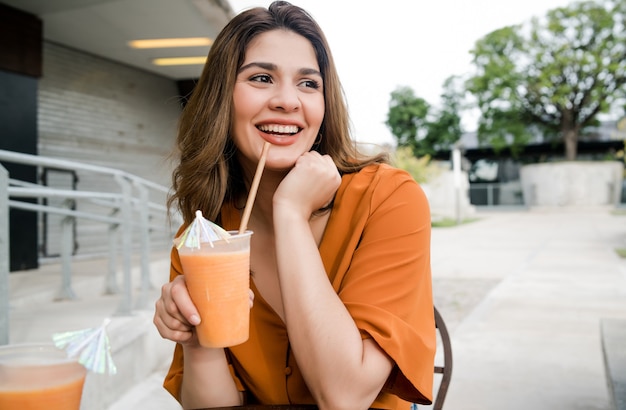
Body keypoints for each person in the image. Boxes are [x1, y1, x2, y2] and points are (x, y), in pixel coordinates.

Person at [153, 1, 436, 409]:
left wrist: (289, 214)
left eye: (308, 84)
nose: (288, 101)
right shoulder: (201, 240)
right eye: (262, 78)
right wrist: (199, 342)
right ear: (221, 98)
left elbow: (345, 397)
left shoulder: (388, 198)